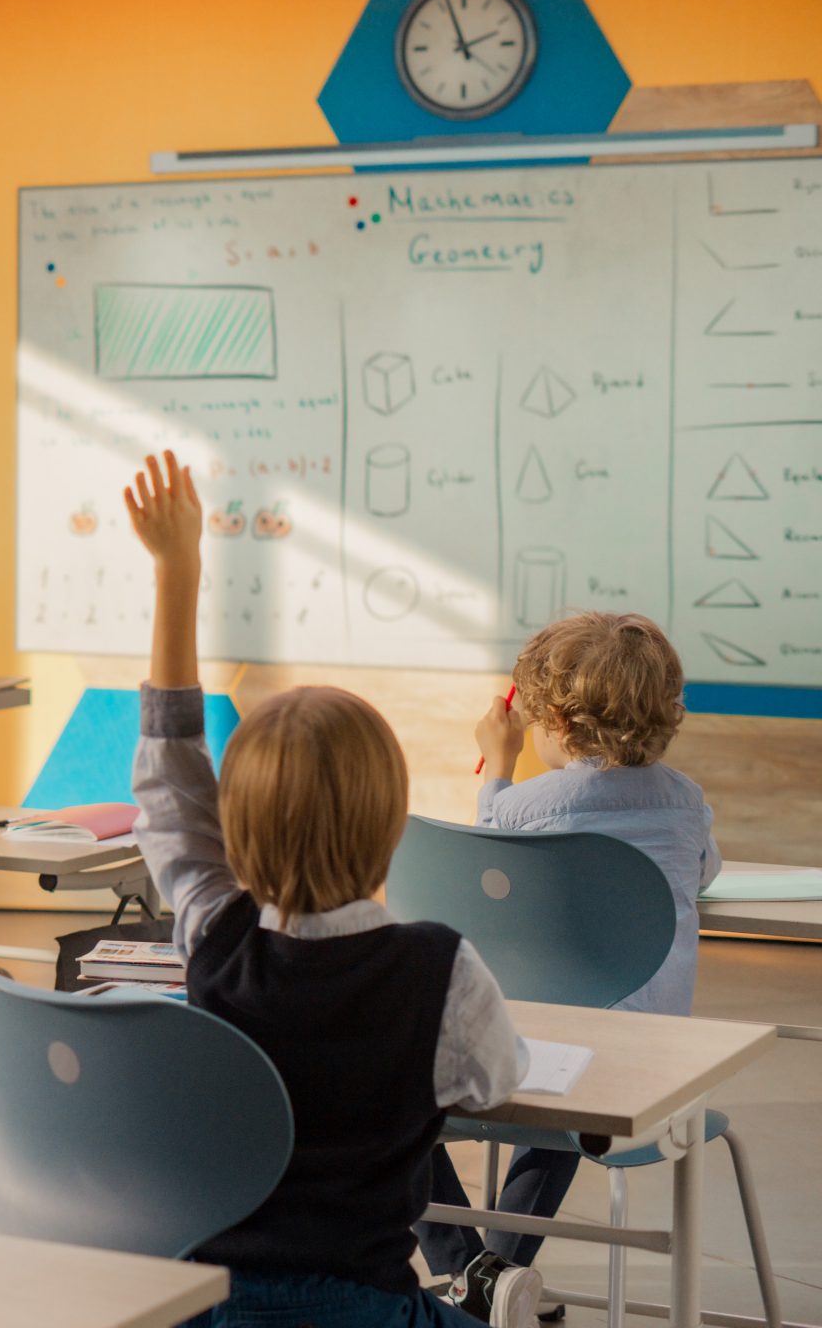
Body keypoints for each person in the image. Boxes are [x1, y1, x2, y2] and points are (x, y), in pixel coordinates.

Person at [123, 451, 533, 1328]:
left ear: (239, 834)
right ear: (390, 824)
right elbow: (496, 1084)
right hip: (366, 1312)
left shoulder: (214, 935)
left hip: (213, 1310)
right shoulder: (441, 971)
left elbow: (169, 778)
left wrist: (178, 570)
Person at [416, 611, 719, 1312]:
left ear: (549, 715)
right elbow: (704, 873)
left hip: (528, 1055)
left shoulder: (520, 809)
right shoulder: (685, 804)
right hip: (642, 1066)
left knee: (386, 1100)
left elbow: (490, 855)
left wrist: (499, 765)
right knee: (570, 1079)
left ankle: (468, 1273)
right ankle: (489, 1285)